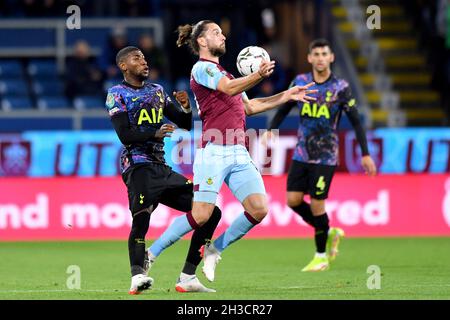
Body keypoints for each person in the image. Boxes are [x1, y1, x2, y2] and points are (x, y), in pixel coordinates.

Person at [145, 20, 317, 287]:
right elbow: (228, 89)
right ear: (201, 41)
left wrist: (286, 95)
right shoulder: (202, 69)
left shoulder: (227, 74)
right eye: (215, 32)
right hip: (213, 152)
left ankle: (215, 251)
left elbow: (249, 107)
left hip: (238, 151)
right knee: (202, 215)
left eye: (222, 31)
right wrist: (259, 75)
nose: (222, 35)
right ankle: (151, 254)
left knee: (259, 209)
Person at [105, 46, 223, 294]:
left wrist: (186, 107)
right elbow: (125, 135)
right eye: (137, 58)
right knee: (141, 219)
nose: (144, 62)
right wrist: (155, 132)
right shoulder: (117, 94)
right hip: (138, 166)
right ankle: (137, 276)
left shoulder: (157, 91)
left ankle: (188, 276)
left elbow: (184, 124)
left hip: (162, 168)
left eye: (145, 58)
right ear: (124, 66)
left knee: (210, 212)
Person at [262, 38, 377, 272]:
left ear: (331, 57)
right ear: (310, 58)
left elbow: (355, 121)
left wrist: (365, 154)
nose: (321, 58)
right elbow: (285, 106)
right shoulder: (301, 82)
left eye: (325, 53)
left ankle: (321, 256)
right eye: (317, 54)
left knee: (317, 203)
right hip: (302, 153)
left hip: (325, 156)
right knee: (292, 201)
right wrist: (272, 129)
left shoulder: (340, 88)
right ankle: (328, 230)